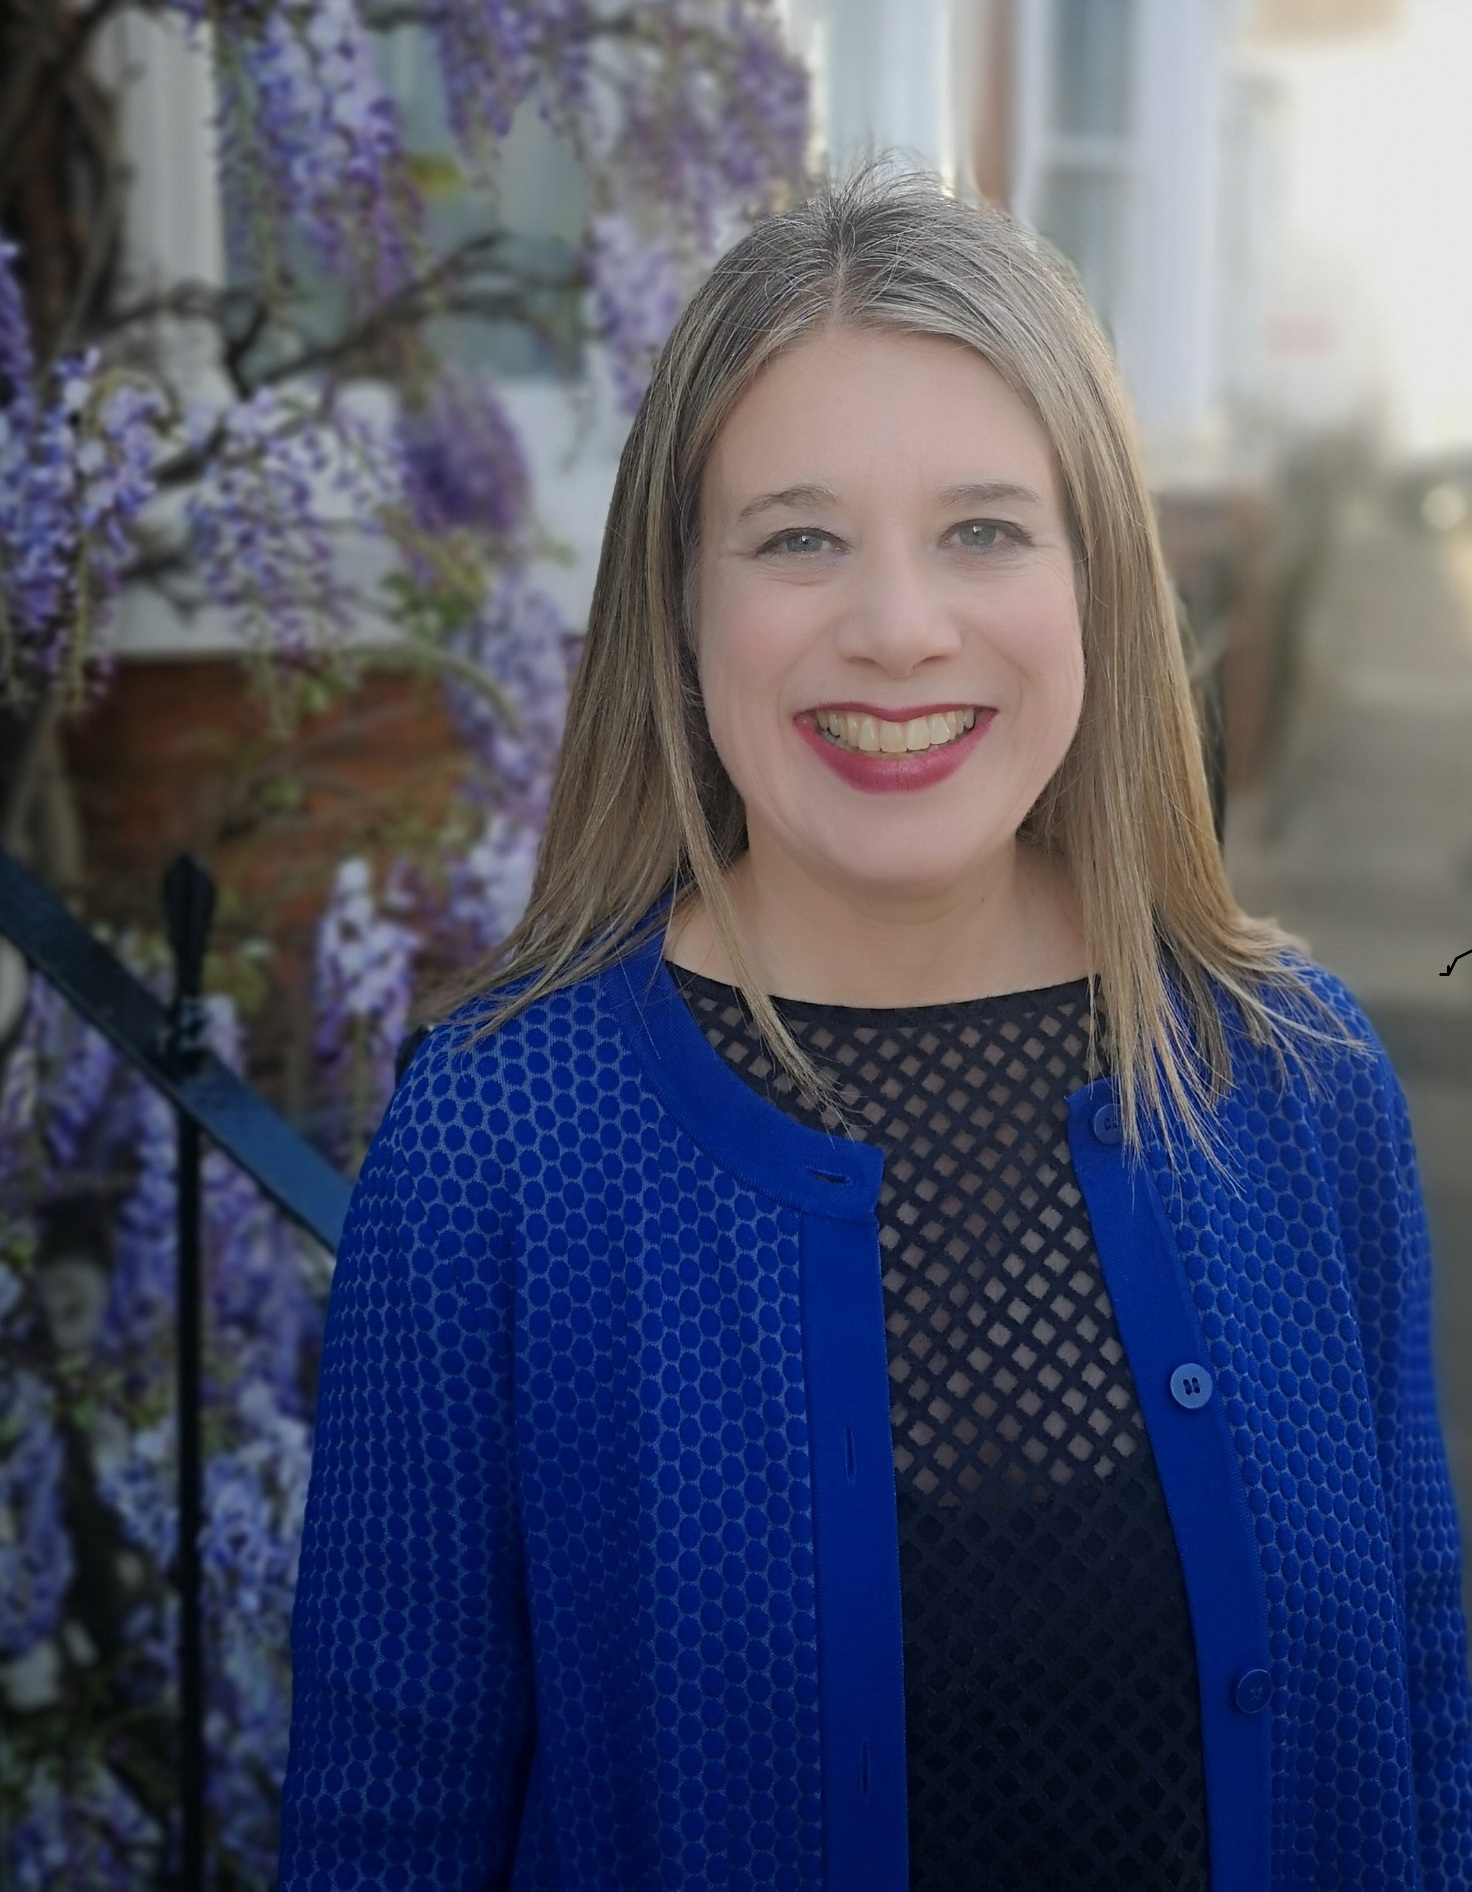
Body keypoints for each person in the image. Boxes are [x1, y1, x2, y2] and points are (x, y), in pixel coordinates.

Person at [278, 168, 1472, 1891]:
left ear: (1099, 586)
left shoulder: (1293, 1079)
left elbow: (1422, 1719)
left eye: (985, 527)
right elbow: (387, 1825)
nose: (901, 629)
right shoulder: (503, 1143)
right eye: (798, 536)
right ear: (683, 610)